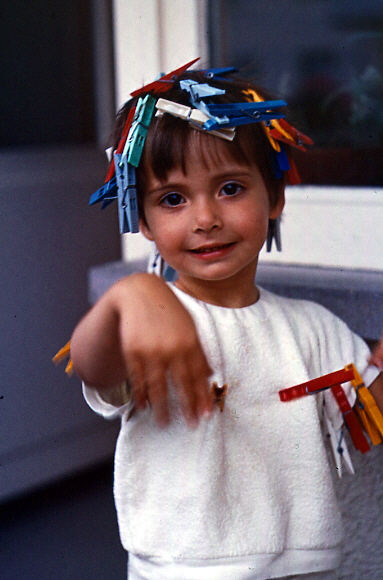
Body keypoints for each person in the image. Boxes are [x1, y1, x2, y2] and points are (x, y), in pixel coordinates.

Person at [69, 64, 383, 579]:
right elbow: (92, 367)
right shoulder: (147, 319)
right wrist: (131, 297)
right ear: (142, 221)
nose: (205, 218)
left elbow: (364, 419)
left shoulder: (314, 328)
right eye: (172, 199)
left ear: (275, 198)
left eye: (231, 188)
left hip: (303, 568)